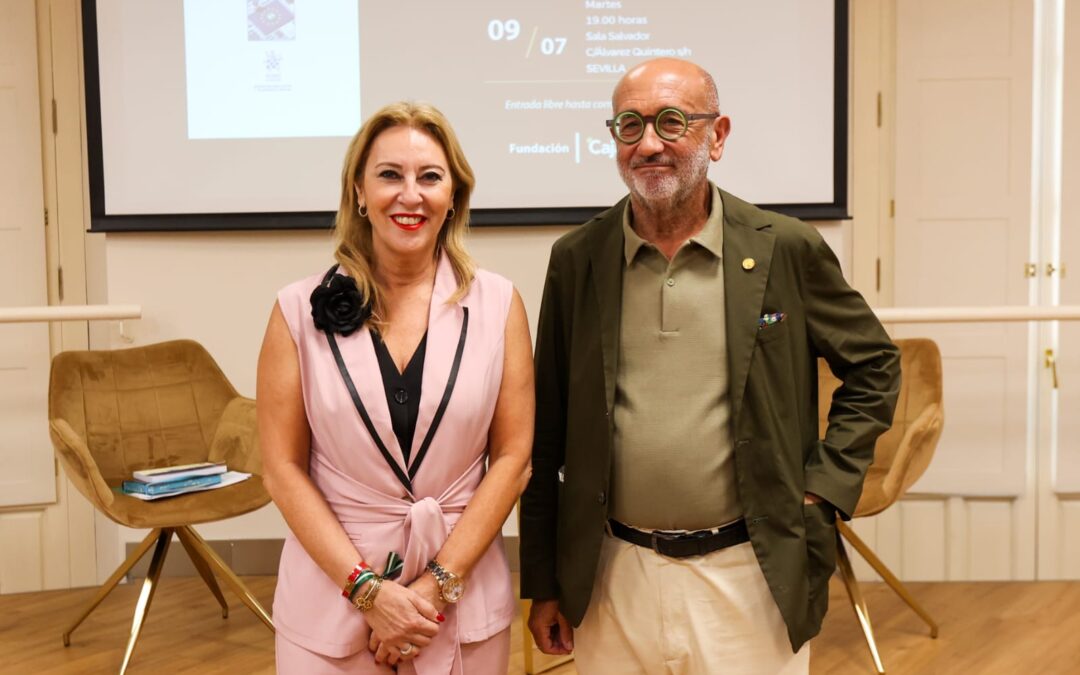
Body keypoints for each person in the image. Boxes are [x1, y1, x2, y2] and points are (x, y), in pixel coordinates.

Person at [519, 58, 902, 674]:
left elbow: (876, 365)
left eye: (672, 123)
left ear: (717, 136)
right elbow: (545, 432)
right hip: (612, 574)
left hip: (749, 572)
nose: (648, 144)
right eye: (629, 126)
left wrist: (825, 486)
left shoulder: (784, 247)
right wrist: (542, 580)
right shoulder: (578, 258)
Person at [258, 101, 534, 674]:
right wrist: (368, 592)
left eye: (430, 177)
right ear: (359, 191)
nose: (411, 195)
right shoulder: (293, 311)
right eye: (389, 175)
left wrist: (432, 593)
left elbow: (513, 460)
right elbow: (281, 469)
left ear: (454, 195)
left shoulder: (500, 305)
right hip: (331, 602)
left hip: (460, 596)